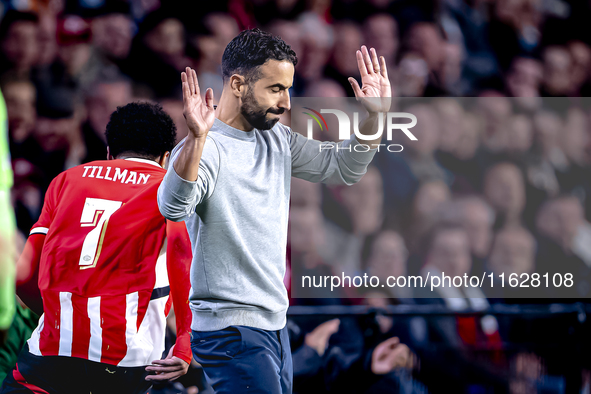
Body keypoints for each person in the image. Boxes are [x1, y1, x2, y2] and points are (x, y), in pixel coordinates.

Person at [157, 28, 391, 393]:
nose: (286, 103)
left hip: (274, 327)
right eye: (275, 89)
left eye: (288, 88)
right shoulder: (205, 146)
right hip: (229, 331)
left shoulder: (277, 139)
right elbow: (172, 207)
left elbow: (343, 167)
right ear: (237, 84)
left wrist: (374, 119)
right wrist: (197, 140)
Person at [1, 102, 193, 394]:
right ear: (166, 158)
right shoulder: (170, 190)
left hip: (53, 352)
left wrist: (57, 316)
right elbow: (185, 264)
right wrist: (184, 342)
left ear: (108, 153)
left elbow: (24, 276)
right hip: (127, 362)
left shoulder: (65, 180)